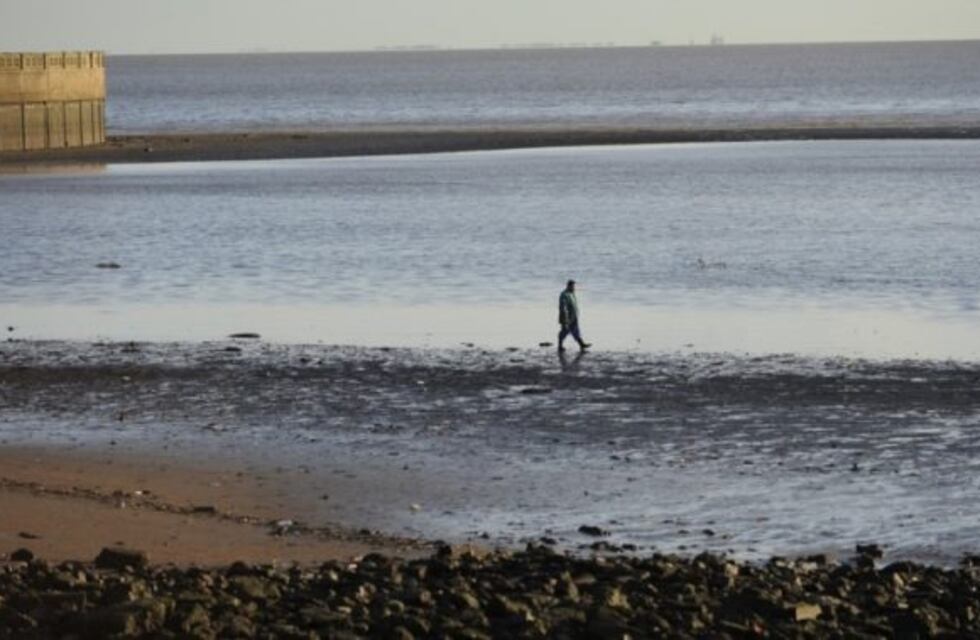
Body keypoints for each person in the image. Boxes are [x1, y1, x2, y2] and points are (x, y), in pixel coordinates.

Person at [558, 279, 591, 352]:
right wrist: (565, 319)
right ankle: (560, 346)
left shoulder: (572, 293)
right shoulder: (564, 294)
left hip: (574, 317)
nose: (574, 288)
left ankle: (582, 344)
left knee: (576, 330)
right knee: (564, 331)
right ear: (568, 286)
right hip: (566, 317)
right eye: (573, 286)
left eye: (574, 286)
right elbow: (563, 307)